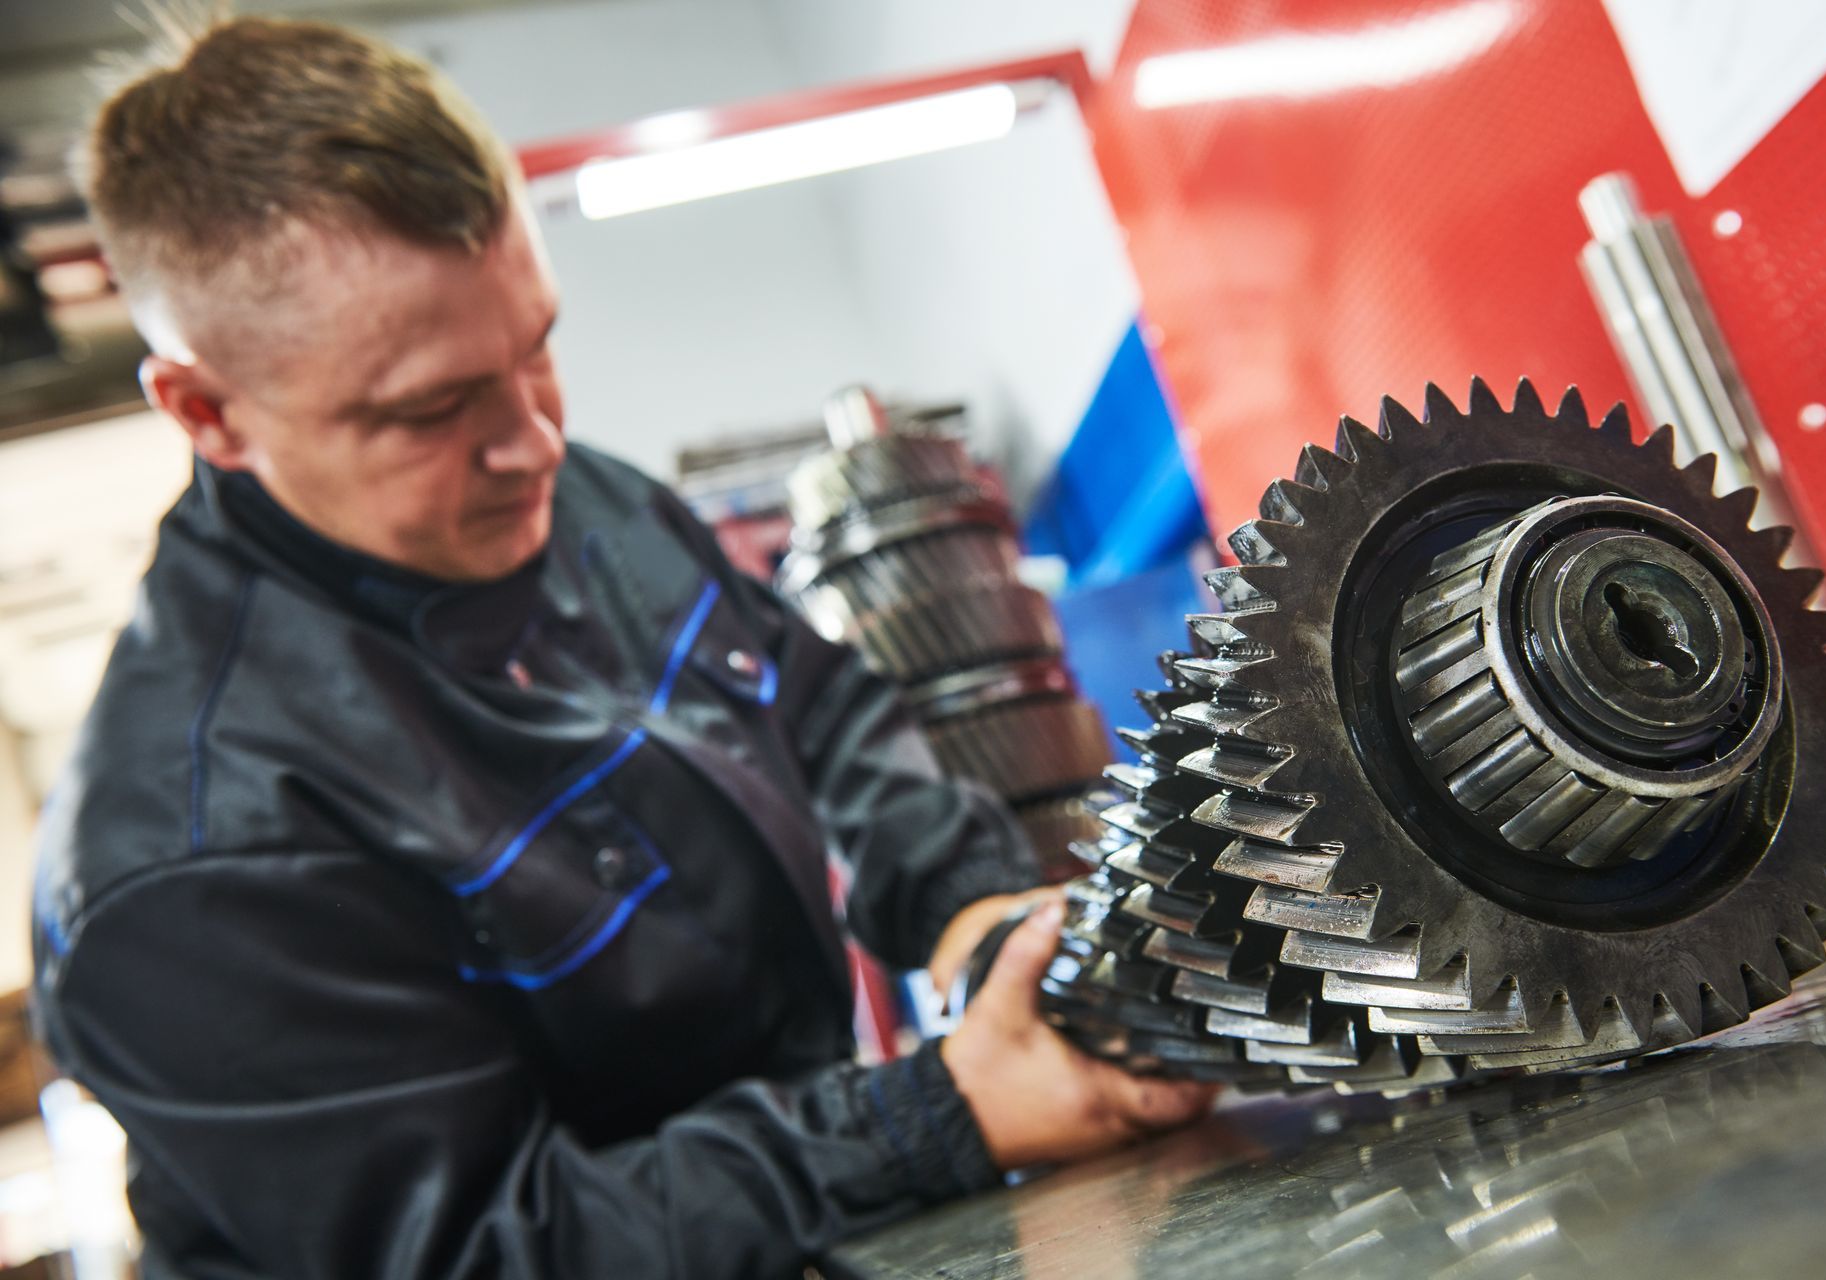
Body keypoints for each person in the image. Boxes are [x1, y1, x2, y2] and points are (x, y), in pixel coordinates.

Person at [27, 15, 1214, 1279]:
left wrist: (973, 910)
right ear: (207, 410)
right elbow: (482, 1250)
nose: (533, 440)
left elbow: (818, 709)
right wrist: (928, 1116)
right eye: (430, 408)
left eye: (535, 346)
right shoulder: (187, 860)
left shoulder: (579, 499)